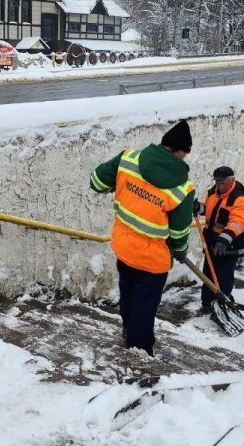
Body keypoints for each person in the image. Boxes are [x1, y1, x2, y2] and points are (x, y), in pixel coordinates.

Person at [90, 120, 196, 356]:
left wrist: (118, 184)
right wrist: (180, 250)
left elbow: (96, 181)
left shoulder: (127, 159)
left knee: (128, 291)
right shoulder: (184, 189)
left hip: (124, 246)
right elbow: (179, 232)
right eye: (185, 153)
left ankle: (128, 331)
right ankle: (139, 350)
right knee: (145, 303)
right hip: (152, 258)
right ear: (180, 151)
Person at [193, 166, 244, 313]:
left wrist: (224, 239)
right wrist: (198, 207)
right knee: (208, 275)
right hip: (212, 243)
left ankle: (223, 306)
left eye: (221, 183)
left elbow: (238, 222)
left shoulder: (240, 198)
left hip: (229, 245)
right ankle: (206, 304)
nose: (218, 185)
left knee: (224, 277)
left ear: (231, 180)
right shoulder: (213, 192)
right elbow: (210, 212)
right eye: (216, 182)